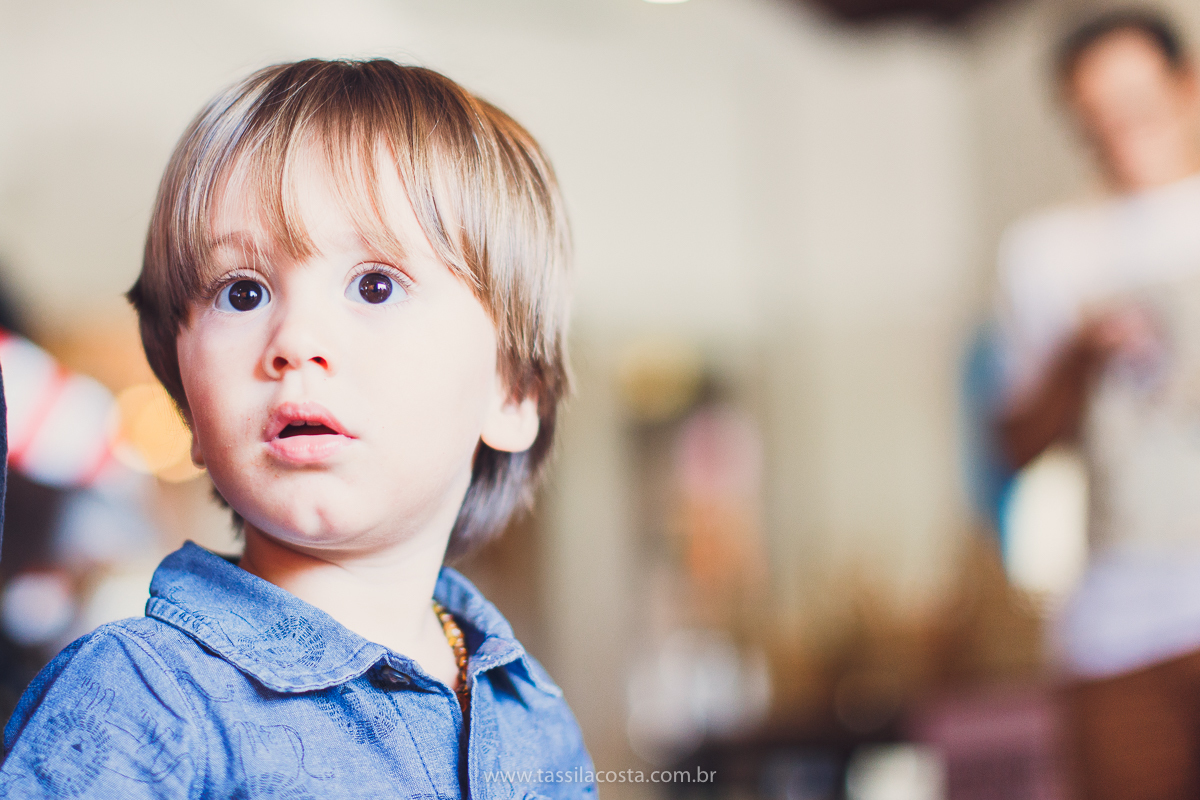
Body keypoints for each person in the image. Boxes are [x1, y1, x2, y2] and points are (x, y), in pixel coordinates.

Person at [0, 59, 595, 798]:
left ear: (512, 393)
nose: (294, 339)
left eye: (375, 285)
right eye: (243, 293)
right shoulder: (137, 701)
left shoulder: (537, 720)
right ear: (188, 408)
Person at [994, 11, 1200, 800]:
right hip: (1121, 626)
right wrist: (1077, 359)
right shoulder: (1047, 252)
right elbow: (1014, 445)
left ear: (1186, 89)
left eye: (1137, 107)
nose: (1120, 135)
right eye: (1097, 118)